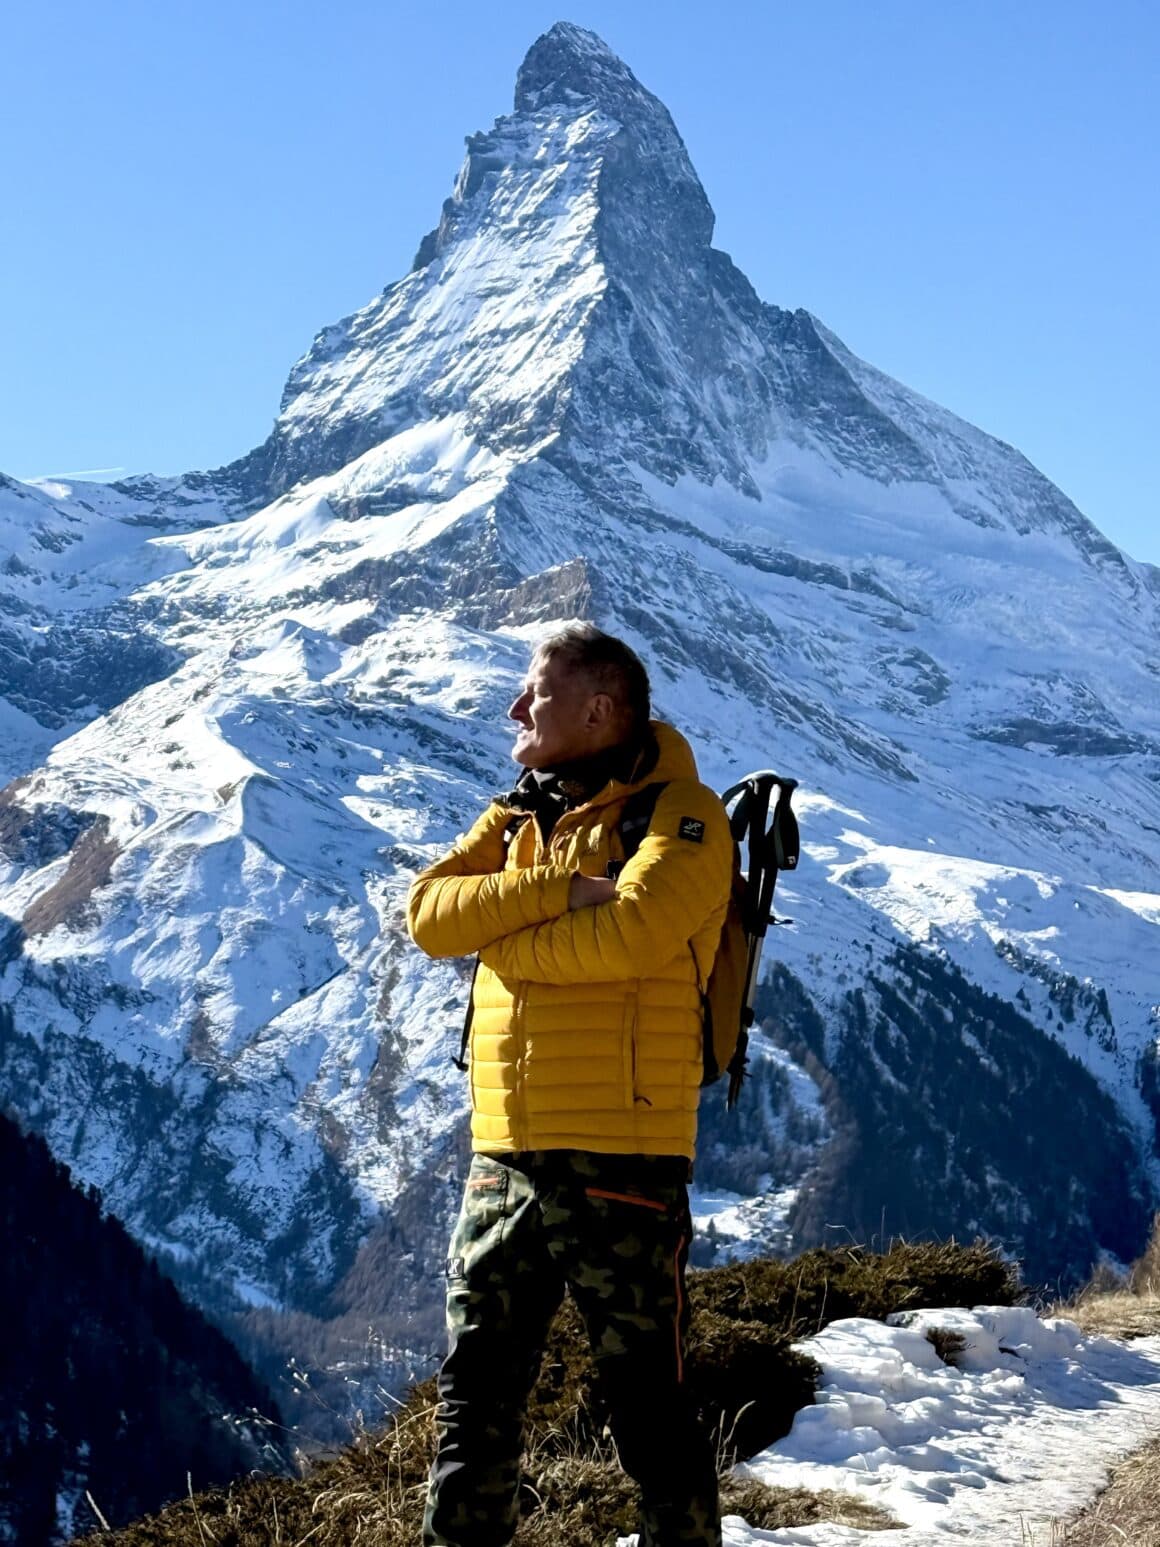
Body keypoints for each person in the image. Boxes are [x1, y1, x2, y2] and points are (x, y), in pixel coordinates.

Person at [406, 624, 734, 1547]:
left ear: (597, 710)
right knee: (472, 1402)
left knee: (650, 1409)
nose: (515, 706)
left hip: (623, 1161)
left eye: (536, 692)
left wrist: (500, 938)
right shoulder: (516, 817)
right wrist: (559, 892)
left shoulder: (684, 817)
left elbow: (631, 935)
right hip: (504, 1158)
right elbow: (427, 915)